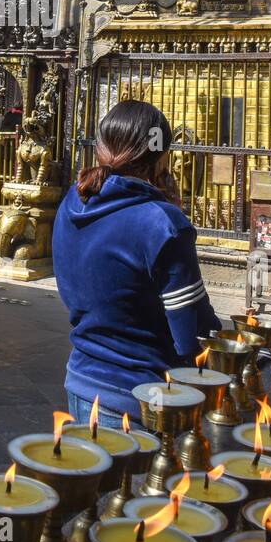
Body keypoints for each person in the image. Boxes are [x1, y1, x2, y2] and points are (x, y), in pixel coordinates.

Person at [52, 99, 220, 428]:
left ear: (101, 146)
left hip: (80, 378)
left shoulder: (73, 202)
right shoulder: (161, 223)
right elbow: (193, 332)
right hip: (140, 396)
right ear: (161, 153)